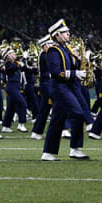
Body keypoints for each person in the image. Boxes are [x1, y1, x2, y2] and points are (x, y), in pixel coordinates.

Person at [41, 19, 89, 161]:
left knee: (57, 120)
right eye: (65, 32)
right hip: (60, 88)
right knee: (78, 114)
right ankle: (75, 148)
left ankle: (48, 153)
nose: (68, 34)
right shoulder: (53, 51)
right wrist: (75, 74)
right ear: (57, 35)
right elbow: (56, 72)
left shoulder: (66, 49)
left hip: (68, 87)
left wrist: (82, 62)